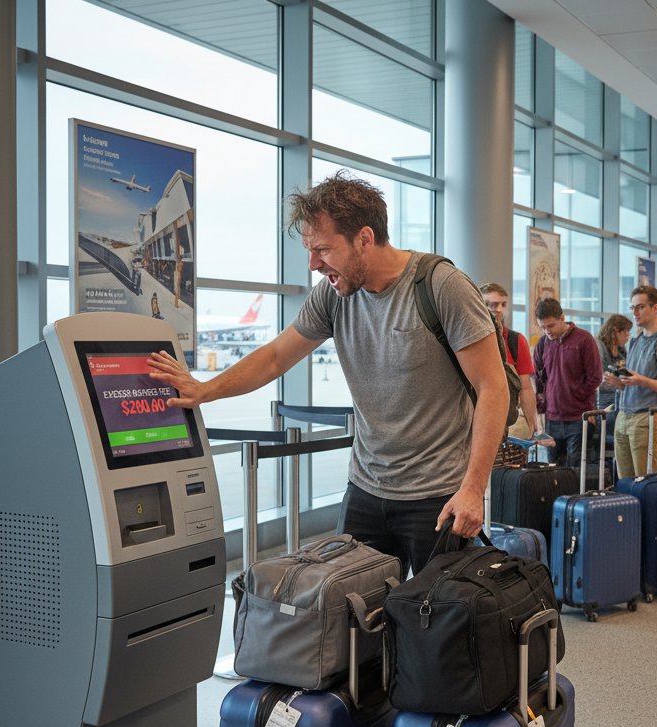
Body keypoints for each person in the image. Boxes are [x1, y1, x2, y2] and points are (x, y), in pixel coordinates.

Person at [147, 172, 508, 575]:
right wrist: (204, 390)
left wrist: (473, 489)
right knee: (350, 623)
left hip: (438, 495)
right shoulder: (334, 296)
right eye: (309, 250)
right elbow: (275, 357)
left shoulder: (442, 287)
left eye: (323, 249)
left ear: (365, 239)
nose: (314, 264)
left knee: (436, 628)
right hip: (366, 490)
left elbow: (493, 387)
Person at [603, 285, 657, 478]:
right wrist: (619, 383)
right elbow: (633, 381)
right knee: (624, 482)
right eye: (633, 308)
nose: (635, 312)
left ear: (655, 308)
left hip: (649, 417)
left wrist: (642, 381)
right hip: (624, 415)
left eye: (640, 307)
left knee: (644, 480)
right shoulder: (636, 341)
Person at [532, 298, 602, 468]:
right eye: (543, 327)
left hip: (578, 418)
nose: (547, 331)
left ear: (562, 318)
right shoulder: (543, 343)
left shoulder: (584, 340)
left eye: (551, 326)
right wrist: (542, 406)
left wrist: (578, 397)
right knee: (553, 470)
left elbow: (595, 377)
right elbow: (539, 378)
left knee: (575, 469)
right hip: (552, 418)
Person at [480, 281, 539, 440]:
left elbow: (525, 387)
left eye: (503, 304)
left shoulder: (515, 341)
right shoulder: (468, 340)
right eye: (492, 304)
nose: (498, 309)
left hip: (507, 421)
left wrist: (531, 423)